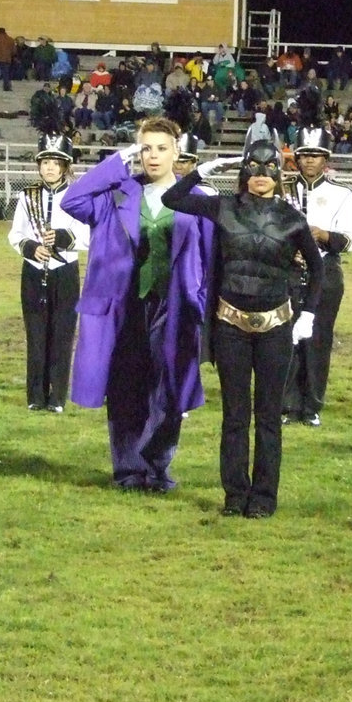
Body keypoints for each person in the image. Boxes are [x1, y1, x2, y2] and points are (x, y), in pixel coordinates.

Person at [163, 137, 323, 517]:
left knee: (269, 416)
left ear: (279, 175)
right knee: (235, 415)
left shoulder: (291, 219)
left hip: (276, 327)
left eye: (269, 169)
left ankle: (264, 499)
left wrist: (308, 315)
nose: (261, 175)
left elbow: (318, 269)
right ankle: (235, 496)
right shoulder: (223, 207)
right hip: (230, 324)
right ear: (243, 171)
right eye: (253, 167)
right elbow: (172, 199)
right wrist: (201, 170)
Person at [63, 117, 215, 493]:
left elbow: (212, 258)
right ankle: (129, 470)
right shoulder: (118, 192)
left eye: (162, 148)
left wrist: (205, 305)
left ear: (177, 152)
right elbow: (72, 200)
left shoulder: (198, 198)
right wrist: (119, 159)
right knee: (126, 387)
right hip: (123, 305)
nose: (153, 156)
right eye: (146, 148)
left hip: (177, 305)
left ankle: (157, 466)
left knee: (172, 389)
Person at [281, 89, 352, 426]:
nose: (310, 160)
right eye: (304, 155)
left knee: (317, 340)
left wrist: (322, 235)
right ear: (296, 158)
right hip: (286, 272)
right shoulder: (281, 189)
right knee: (285, 339)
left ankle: (311, 405)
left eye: (316, 155)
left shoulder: (341, 195)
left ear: (326, 158)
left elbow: (351, 241)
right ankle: (286, 404)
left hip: (326, 273)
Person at [8, 133, 89, 413]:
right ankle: (35, 395)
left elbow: (90, 235)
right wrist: (29, 247)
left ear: (66, 166)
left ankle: (57, 397)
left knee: (62, 335)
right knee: (36, 334)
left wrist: (65, 238)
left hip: (64, 270)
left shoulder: (79, 196)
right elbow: (15, 234)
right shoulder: (27, 195)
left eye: (56, 162)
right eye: (45, 162)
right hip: (32, 271)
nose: (50, 168)